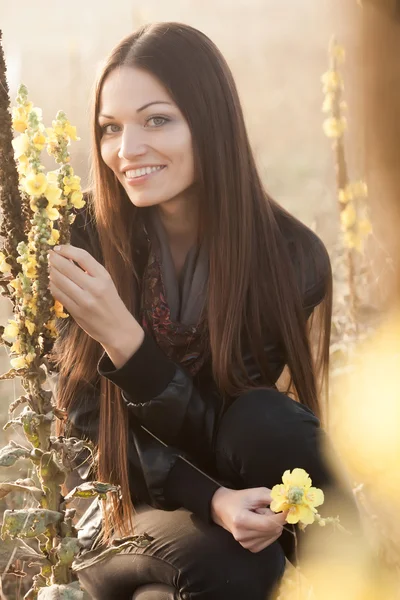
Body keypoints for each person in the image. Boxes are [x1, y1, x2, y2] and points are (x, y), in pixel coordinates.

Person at [48, 21, 356, 600]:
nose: (126, 150)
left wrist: (131, 348)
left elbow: (227, 429)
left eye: (156, 120)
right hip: (112, 504)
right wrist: (210, 500)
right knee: (234, 567)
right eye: (110, 128)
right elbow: (85, 428)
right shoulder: (83, 236)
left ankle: (359, 578)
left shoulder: (290, 259)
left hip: (226, 486)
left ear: (210, 123)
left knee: (268, 420)